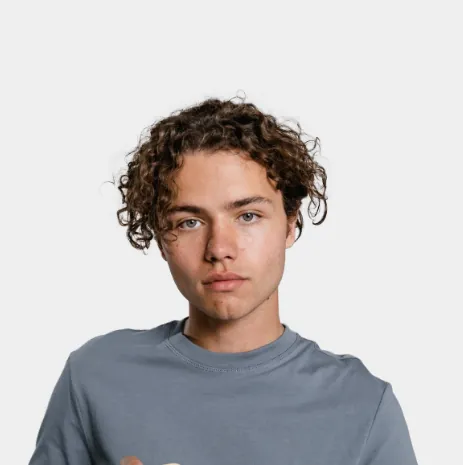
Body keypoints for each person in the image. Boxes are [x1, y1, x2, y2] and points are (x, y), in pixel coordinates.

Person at [28, 95, 419, 465]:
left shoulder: (363, 403)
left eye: (248, 216)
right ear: (161, 238)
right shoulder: (95, 376)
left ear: (290, 224)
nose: (219, 248)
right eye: (189, 222)